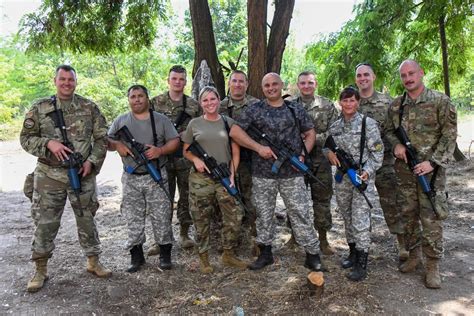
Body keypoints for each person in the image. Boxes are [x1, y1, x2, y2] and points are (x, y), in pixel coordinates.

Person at [20, 65, 111, 292]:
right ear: (55, 80)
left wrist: (92, 162)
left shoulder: (89, 107)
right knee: (45, 223)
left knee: (87, 219)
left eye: (71, 79)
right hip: (49, 174)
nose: (67, 83)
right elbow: (25, 138)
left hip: (82, 173)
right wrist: (48, 143)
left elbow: (102, 138)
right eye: (63, 79)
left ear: (76, 82)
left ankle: (93, 261)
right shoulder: (40, 108)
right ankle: (40, 270)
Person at [229, 73, 323, 271]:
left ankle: (313, 254)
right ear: (262, 88)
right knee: (264, 214)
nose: (271, 88)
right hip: (263, 174)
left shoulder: (295, 108)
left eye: (274, 84)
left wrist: (303, 155)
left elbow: (310, 132)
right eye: (266, 85)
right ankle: (265, 253)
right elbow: (235, 132)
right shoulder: (255, 109)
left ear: (281, 85)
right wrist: (257, 147)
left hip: (293, 172)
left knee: (300, 212)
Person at [386, 60, 457, 289]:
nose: (408, 78)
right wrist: (396, 145)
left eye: (411, 73)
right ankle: (414, 255)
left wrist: (432, 162)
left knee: (431, 217)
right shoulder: (397, 105)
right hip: (404, 171)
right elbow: (388, 130)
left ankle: (432, 265)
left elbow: (449, 135)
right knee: (407, 214)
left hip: (431, 172)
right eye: (404, 75)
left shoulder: (440, 101)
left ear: (421, 73)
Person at [108, 85, 179, 272]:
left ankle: (165, 254)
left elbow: (175, 141)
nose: (137, 100)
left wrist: (160, 151)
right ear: (129, 99)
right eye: (133, 96)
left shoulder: (161, 120)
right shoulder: (121, 120)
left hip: (156, 174)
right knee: (133, 217)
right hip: (131, 177)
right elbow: (107, 140)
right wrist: (117, 146)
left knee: (162, 215)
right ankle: (136, 257)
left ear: (147, 98)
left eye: (141, 96)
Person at [182, 86, 248, 273]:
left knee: (235, 215)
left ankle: (228, 254)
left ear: (219, 100)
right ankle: (204, 257)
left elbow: (236, 151)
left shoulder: (228, 123)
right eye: (205, 100)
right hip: (200, 180)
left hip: (224, 177)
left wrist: (232, 174)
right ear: (201, 103)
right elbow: (186, 150)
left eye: (212, 99)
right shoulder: (194, 124)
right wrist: (196, 160)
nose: (209, 103)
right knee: (201, 219)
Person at [324, 87, 384, 281]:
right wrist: (329, 154)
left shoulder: (369, 124)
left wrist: (366, 172)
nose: (348, 104)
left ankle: (362, 262)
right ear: (340, 103)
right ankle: (353, 253)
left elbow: (377, 154)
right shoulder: (334, 126)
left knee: (360, 220)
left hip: (361, 178)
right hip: (342, 181)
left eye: (352, 100)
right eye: (345, 100)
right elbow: (327, 145)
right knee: (347, 217)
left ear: (358, 102)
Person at [355, 63, 407, 261]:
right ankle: (361, 247)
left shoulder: (388, 102)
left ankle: (402, 243)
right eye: (359, 76)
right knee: (361, 206)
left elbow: (396, 129)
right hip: (360, 165)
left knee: (391, 203)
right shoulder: (352, 102)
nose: (363, 78)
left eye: (366, 74)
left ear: (373, 76)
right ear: (356, 79)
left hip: (385, 163)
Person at [149, 65, 200, 254]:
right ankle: (161, 239)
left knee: (186, 197)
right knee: (162, 200)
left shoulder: (194, 105)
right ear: (168, 80)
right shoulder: (155, 102)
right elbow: (146, 126)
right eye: (174, 78)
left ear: (186, 82)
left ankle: (185, 234)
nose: (178, 82)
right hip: (161, 159)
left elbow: (201, 128)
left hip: (185, 159)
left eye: (181, 79)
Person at [287, 71, 339, 255]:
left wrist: (313, 138)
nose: (306, 86)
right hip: (297, 160)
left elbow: (335, 130)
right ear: (298, 85)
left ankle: (323, 239)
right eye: (303, 83)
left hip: (320, 160)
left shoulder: (327, 105)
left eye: (310, 83)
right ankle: (294, 236)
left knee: (322, 200)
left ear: (315, 84)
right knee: (295, 201)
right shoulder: (290, 105)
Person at [219, 70, 260, 243]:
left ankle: (254, 234)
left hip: (252, 159)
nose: (237, 84)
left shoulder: (256, 104)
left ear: (247, 84)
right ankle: (230, 238)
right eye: (234, 81)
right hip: (226, 160)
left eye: (241, 81)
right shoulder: (219, 105)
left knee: (252, 198)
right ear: (229, 83)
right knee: (228, 199)